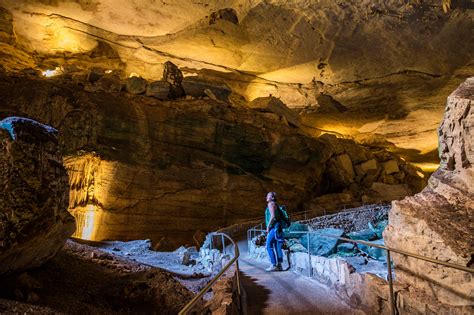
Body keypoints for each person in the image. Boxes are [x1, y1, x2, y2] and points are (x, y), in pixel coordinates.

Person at [265, 191, 284, 271]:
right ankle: (279, 265)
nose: (266, 196)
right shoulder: (275, 204)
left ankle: (273, 265)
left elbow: (272, 216)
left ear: (272, 197)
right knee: (277, 246)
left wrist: (268, 226)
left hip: (274, 227)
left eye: (268, 195)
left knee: (268, 245)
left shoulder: (270, 204)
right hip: (278, 227)